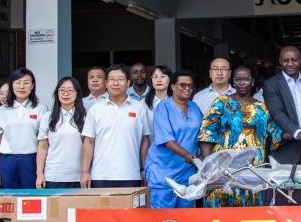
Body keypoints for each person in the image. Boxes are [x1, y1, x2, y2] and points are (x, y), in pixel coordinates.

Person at [198, 65, 285, 206]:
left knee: (249, 209)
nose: (242, 83)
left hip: (253, 169)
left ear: (253, 81)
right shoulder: (221, 102)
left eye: (246, 79)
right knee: (220, 206)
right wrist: (209, 166)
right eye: (238, 79)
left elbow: (274, 133)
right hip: (224, 167)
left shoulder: (262, 108)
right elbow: (207, 132)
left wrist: (298, 133)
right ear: (233, 82)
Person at [81, 64, 151, 187]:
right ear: (106, 83)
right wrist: (85, 172)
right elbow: (89, 141)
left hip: (131, 175)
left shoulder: (140, 108)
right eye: (112, 79)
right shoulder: (95, 109)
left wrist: (145, 169)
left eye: (120, 79)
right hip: (101, 175)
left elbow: (145, 140)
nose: (115, 83)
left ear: (128, 83)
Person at [144, 70, 203, 208]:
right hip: (163, 171)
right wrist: (189, 155)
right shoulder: (163, 107)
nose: (187, 88)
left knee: (185, 218)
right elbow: (166, 140)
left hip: (187, 173)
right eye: (183, 85)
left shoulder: (194, 107)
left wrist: (202, 157)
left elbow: (203, 134)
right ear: (173, 87)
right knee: (162, 218)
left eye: (190, 86)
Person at [0, 67, 47, 189]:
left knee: (31, 197)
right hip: (7, 160)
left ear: (32, 86)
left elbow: (43, 142)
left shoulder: (41, 109)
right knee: (9, 197)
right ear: (12, 85)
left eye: (26, 83)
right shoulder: (2, 110)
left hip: (31, 160)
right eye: (18, 82)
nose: (22, 86)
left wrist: (40, 172)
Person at [262, 46, 301, 165]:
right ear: (280, 61)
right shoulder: (270, 85)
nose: (290, 64)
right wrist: (298, 132)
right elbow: (277, 112)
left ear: (300, 61)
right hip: (285, 150)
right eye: (286, 60)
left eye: (294, 60)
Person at [36, 77, 87, 189]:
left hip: (78, 176)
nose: (65, 94)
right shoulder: (47, 117)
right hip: (53, 175)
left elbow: (89, 146)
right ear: (57, 93)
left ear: (77, 94)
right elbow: (42, 147)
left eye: (70, 90)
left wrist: (86, 172)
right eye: (62, 90)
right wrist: (40, 174)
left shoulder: (85, 117)